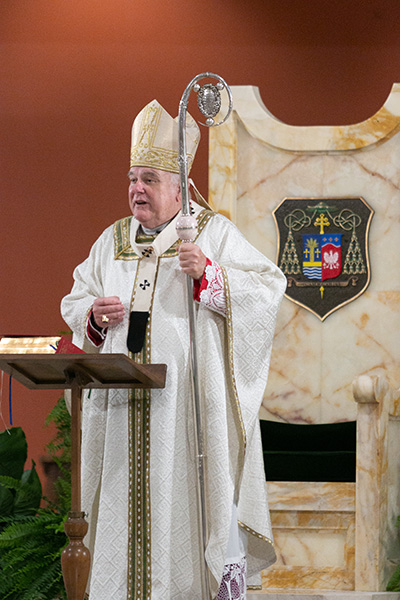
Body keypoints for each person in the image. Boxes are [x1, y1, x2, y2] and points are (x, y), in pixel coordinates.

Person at [61, 99, 286, 600]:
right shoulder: (111, 241)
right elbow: (75, 299)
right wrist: (94, 315)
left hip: (186, 423)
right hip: (120, 418)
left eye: (149, 179)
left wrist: (209, 273)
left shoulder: (212, 233)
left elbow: (269, 289)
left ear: (180, 187)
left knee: (184, 522)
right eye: (131, 178)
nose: (136, 189)